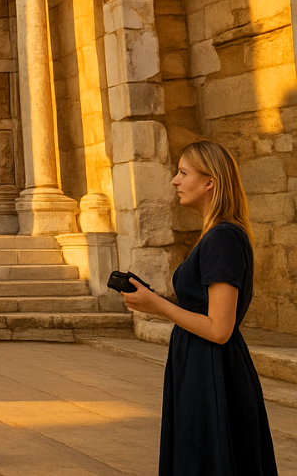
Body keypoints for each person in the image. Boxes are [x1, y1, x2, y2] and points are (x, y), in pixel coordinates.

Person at [121, 140, 278, 476]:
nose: (175, 181)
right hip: (202, 365)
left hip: (213, 370)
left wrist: (157, 305)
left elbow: (219, 329)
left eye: (183, 173)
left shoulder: (222, 237)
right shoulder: (215, 235)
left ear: (210, 182)